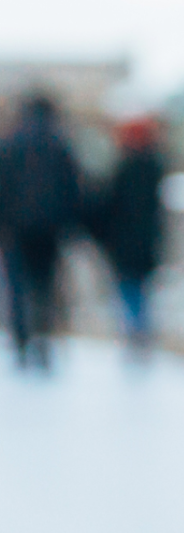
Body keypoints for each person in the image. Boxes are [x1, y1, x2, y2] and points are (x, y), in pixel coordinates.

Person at [0, 92, 85, 372]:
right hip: (50, 228)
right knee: (45, 284)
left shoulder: (11, 143)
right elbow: (74, 188)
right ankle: (44, 337)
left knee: (17, 284)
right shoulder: (59, 143)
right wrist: (69, 224)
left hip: (14, 229)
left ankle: (23, 340)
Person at [89, 117, 168, 357]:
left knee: (128, 286)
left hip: (125, 240)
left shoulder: (123, 167)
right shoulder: (155, 166)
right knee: (140, 287)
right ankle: (140, 330)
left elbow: (108, 203)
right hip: (146, 239)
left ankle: (134, 330)